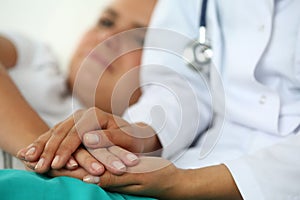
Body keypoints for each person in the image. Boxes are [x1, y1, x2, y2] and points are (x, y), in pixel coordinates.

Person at [2, 0, 300, 199]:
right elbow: (185, 80)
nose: (112, 39)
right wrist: (140, 133)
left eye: (140, 39)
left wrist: (46, 154)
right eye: (106, 22)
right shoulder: (41, 63)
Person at [0, 0, 157, 173]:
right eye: (106, 22)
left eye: (139, 40)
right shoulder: (35, 58)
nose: (107, 37)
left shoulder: (138, 157)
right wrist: (50, 152)